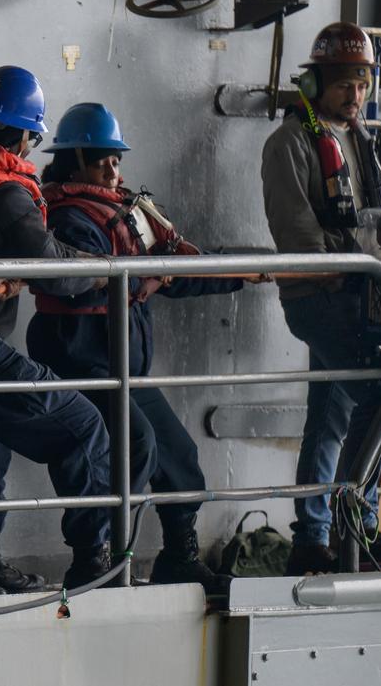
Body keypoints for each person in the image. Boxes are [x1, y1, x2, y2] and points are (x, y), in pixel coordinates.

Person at [26, 103, 242, 595]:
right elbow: (78, 282)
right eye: (102, 158)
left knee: (178, 453)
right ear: (74, 158)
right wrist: (145, 276)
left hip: (127, 364)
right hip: (82, 359)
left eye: (116, 159)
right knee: (131, 447)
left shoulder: (125, 210)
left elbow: (172, 271)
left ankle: (179, 557)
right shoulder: (64, 217)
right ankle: (97, 562)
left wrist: (239, 275)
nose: (112, 168)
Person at [0, 66, 114, 591]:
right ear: (22, 134)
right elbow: (48, 264)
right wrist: (103, 270)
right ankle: (91, 563)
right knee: (82, 427)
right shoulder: (0, 188)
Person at [259, 22, 381, 575]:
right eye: (346, 83)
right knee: (371, 404)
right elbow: (298, 235)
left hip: (357, 294)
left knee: (329, 418)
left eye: (363, 82)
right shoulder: (289, 145)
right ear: (317, 82)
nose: (356, 95)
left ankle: (312, 537)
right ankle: (357, 530)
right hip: (319, 297)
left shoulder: (358, 139)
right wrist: (355, 263)